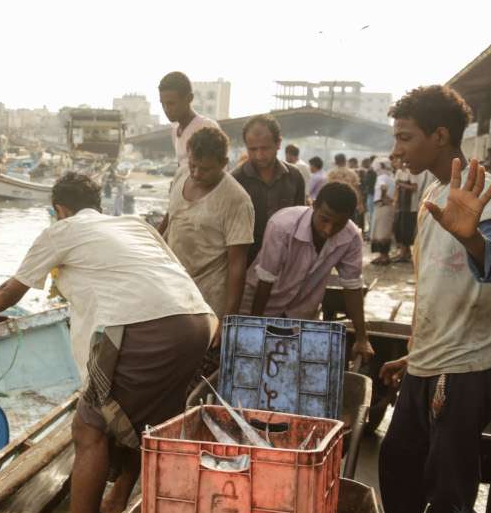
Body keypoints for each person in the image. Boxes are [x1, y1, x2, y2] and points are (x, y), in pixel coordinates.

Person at [0, 172, 215, 513]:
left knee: (89, 429)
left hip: (147, 324)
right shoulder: (132, 224)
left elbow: (11, 290)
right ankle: (116, 499)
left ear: (59, 208)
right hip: (197, 321)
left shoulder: (61, 230)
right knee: (146, 426)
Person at [377, 85, 491, 513]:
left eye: (406, 137)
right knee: (397, 472)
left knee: (450, 489)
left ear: (440, 136)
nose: (398, 149)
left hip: (463, 370)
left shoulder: (484, 188)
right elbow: (437, 284)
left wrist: (474, 236)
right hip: (428, 361)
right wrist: (414, 352)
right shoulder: (432, 190)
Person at [241, 182, 374, 362]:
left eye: (338, 224)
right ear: (314, 205)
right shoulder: (282, 225)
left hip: (301, 311)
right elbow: (265, 281)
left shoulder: (351, 237)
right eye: (324, 219)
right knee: (250, 361)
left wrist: (361, 338)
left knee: (288, 368)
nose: (328, 230)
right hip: (260, 303)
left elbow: (352, 287)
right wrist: (255, 327)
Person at [159, 126, 254, 321]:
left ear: (224, 163)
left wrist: (228, 318)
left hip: (207, 302)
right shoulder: (181, 174)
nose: (196, 173)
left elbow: (237, 264)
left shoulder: (237, 200)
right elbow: (170, 218)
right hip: (171, 290)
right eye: (193, 165)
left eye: (205, 169)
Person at [232, 115, 307, 264]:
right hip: (246, 263)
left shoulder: (294, 177)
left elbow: (300, 224)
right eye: (253, 149)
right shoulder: (235, 180)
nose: (259, 156)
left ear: (278, 143)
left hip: (285, 262)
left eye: (265, 148)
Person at [158, 71, 219, 172]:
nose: (166, 109)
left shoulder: (206, 128)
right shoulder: (175, 132)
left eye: (171, 103)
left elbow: (215, 173)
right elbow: (182, 169)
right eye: (162, 104)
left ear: (189, 99)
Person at [393, 160, 429, 263]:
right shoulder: (400, 172)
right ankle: (405, 252)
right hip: (402, 205)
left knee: (405, 229)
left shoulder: (411, 172)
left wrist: (401, 184)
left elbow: (414, 187)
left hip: (410, 206)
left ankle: (404, 253)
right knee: (400, 228)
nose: (394, 163)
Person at [370, 158, 396, 264]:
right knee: (385, 231)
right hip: (388, 207)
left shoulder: (382, 177)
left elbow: (382, 187)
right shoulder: (390, 177)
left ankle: (384, 256)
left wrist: (383, 197)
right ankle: (384, 255)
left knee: (380, 232)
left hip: (382, 206)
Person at [361, 155, 377, 235]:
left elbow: (367, 182)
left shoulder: (371, 171)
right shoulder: (376, 171)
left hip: (371, 194)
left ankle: (371, 233)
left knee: (371, 214)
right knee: (372, 214)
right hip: (373, 194)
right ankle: (371, 232)